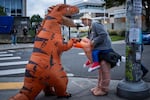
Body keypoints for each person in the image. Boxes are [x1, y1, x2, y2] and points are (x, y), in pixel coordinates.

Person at [79, 13, 113, 96]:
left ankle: (104, 89)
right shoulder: (91, 27)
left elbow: (103, 34)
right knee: (100, 71)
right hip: (100, 50)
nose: (82, 22)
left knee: (104, 71)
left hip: (105, 50)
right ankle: (99, 87)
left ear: (88, 19)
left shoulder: (95, 24)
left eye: (83, 20)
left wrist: (94, 42)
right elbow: (91, 37)